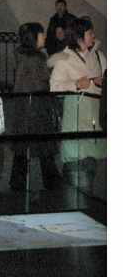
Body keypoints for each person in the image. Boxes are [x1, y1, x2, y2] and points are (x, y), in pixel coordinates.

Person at [50, 17, 106, 193]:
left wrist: (101, 82)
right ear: (79, 36)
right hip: (74, 121)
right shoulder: (63, 59)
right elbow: (54, 88)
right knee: (76, 173)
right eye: (89, 32)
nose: (93, 35)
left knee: (92, 172)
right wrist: (75, 84)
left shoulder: (98, 56)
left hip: (95, 122)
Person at [9, 23, 62, 191]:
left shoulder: (26, 57)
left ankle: (19, 184)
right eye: (41, 34)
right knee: (43, 149)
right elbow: (30, 84)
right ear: (33, 38)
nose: (44, 37)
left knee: (24, 151)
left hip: (28, 109)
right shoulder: (35, 59)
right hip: (36, 109)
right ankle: (52, 184)